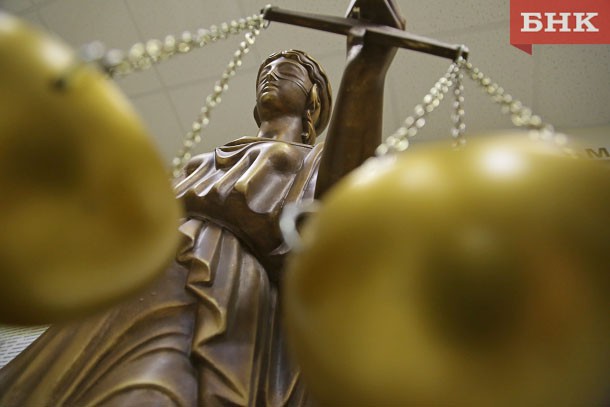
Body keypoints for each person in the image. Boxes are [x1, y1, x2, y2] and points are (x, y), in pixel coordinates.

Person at [0, 2, 405, 405]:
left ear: (312, 103)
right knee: (78, 377)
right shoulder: (214, 154)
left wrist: (364, 67)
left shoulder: (316, 159)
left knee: (155, 384)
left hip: (226, 276)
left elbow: (338, 206)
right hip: (157, 269)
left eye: (288, 73)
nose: (271, 75)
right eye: (266, 71)